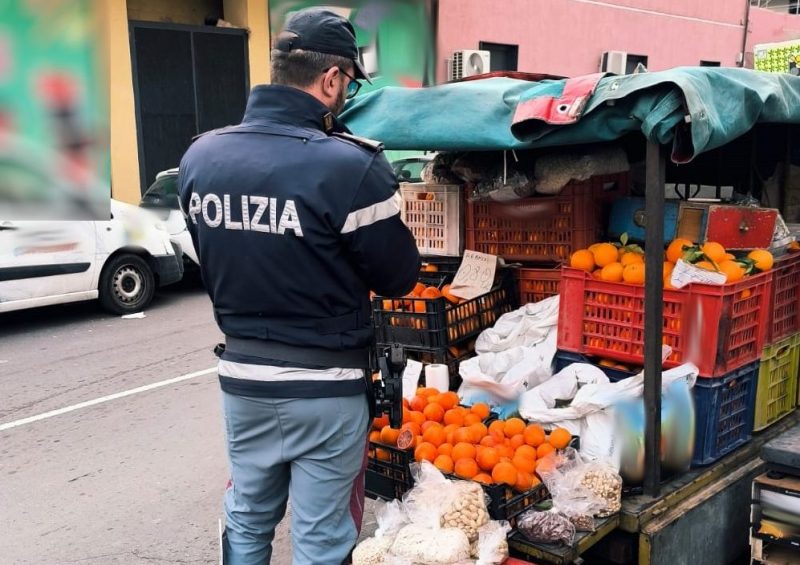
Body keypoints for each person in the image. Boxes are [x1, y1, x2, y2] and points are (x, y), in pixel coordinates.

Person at [177, 8, 420, 564]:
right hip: (326, 389)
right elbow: (398, 278)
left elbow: (207, 256)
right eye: (347, 84)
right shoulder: (351, 167)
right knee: (322, 540)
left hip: (242, 381)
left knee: (246, 522)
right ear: (331, 79)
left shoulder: (200, 157)